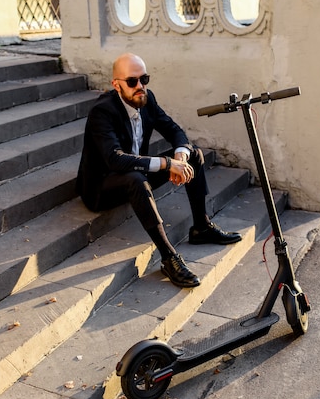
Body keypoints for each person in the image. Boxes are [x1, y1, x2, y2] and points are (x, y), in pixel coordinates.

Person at [76, 53, 242, 288]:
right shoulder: (102, 112)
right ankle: (168, 257)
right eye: (132, 82)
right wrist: (167, 164)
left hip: (137, 173)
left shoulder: (147, 99)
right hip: (102, 187)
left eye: (144, 79)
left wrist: (180, 157)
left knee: (193, 154)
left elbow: (174, 131)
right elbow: (116, 160)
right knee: (134, 177)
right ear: (116, 84)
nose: (140, 86)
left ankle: (201, 227)